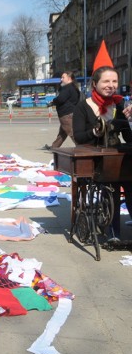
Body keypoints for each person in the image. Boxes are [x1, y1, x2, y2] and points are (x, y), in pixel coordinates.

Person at [73, 66, 132, 239]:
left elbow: (128, 137)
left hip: (116, 157)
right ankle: (114, 232)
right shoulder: (83, 107)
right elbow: (79, 137)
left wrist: (129, 121)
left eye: (114, 81)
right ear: (95, 84)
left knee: (130, 184)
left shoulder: (119, 104)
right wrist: (95, 132)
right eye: (106, 81)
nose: (111, 85)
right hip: (95, 159)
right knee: (112, 187)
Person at [43, 71, 80, 150]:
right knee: (62, 133)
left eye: (63, 77)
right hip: (71, 112)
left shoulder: (67, 88)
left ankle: (82, 147)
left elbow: (60, 99)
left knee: (72, 133)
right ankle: (54, 147)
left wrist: (53, 101)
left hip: (66, 114)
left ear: (69, 78)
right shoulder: (74, 87)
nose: (61, 79)